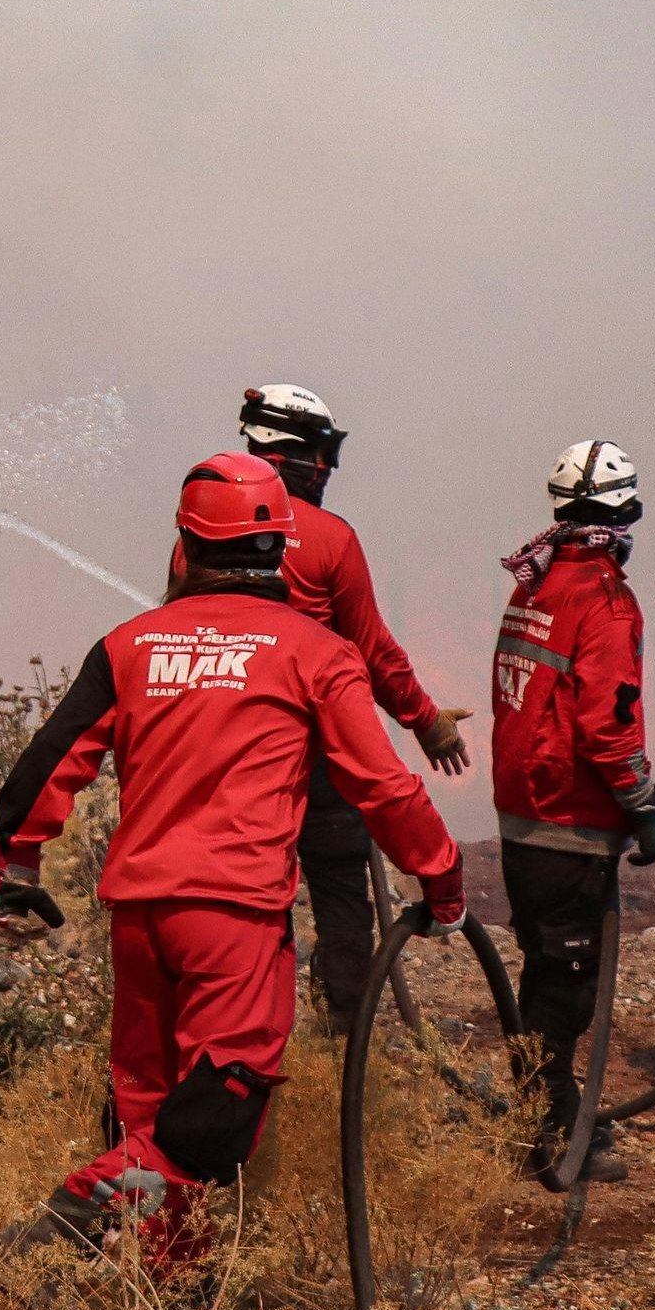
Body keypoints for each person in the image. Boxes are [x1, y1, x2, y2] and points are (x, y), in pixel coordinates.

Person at [0, 452, 465, 1310]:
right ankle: (55, 1229)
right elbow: (382, 787)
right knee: (217, 1122)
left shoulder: (130, 646)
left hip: (139, 917)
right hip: (233, 916)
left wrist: (20, 865)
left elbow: (45, 762)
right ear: (279, 544)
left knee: (154, 1114)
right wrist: (442, 881)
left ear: (184, 546)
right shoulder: (315, 652)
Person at [231, 385, 471, 1022]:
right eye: (321, 454)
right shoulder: (331, 538)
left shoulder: (199, 533)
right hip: (320, 754)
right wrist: (428, 723)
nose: (326, 469)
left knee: (250, 898)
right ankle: (345, 1033)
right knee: (341, 894)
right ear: (300, 454)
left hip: (232, 756)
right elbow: (374, 652)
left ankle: (252, 1024)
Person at [488, 440, 655, 1191]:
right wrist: (641, 802)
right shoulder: (602, 597)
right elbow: (606, 723)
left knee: (543, 976)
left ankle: (541, 1116)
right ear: (625, 513)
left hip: (522, 814)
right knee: (564, 989)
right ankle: (553, 1134)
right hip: (568, 821)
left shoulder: (534, 583)